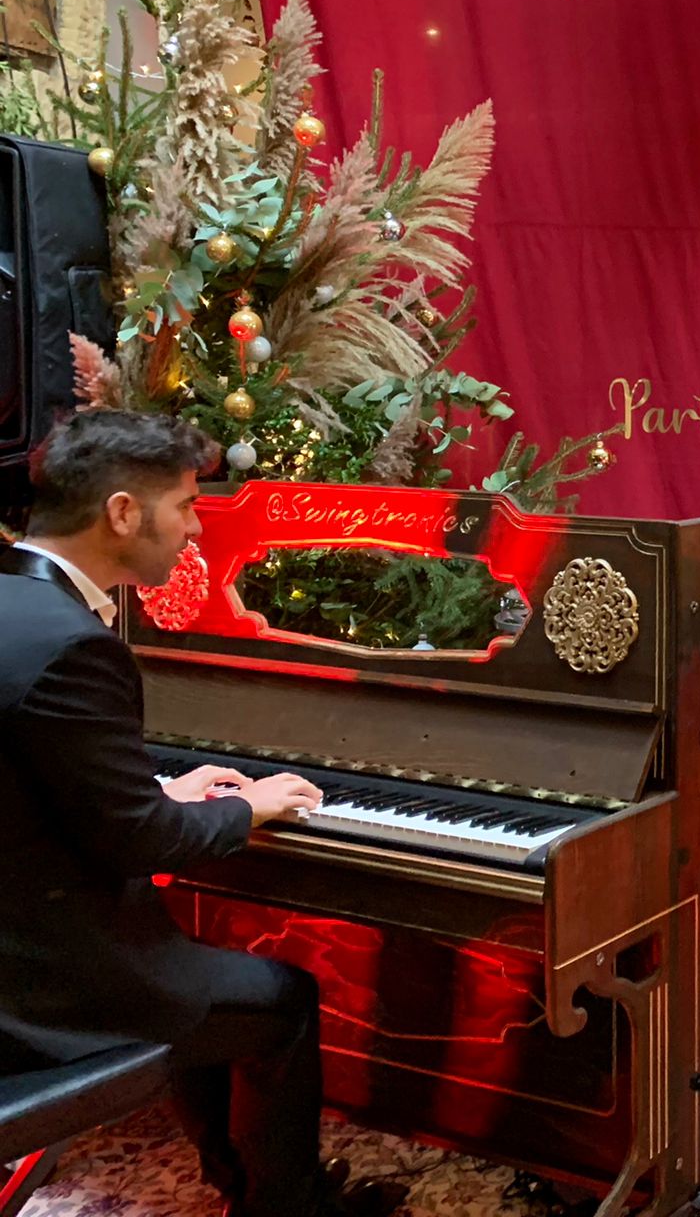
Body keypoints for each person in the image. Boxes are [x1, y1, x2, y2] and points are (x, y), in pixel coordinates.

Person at [0, 411, 400, 1217]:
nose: (193, 531)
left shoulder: (17, 609)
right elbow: (139, 840)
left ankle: (236, 1178)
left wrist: (157, 790)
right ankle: (284, 1206)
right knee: (281, 998)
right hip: (46, 989)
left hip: (16, 938)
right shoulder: (76, 645)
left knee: (201, 967)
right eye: (184, 506)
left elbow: (45, 787)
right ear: (121, 513)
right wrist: (249, 805)